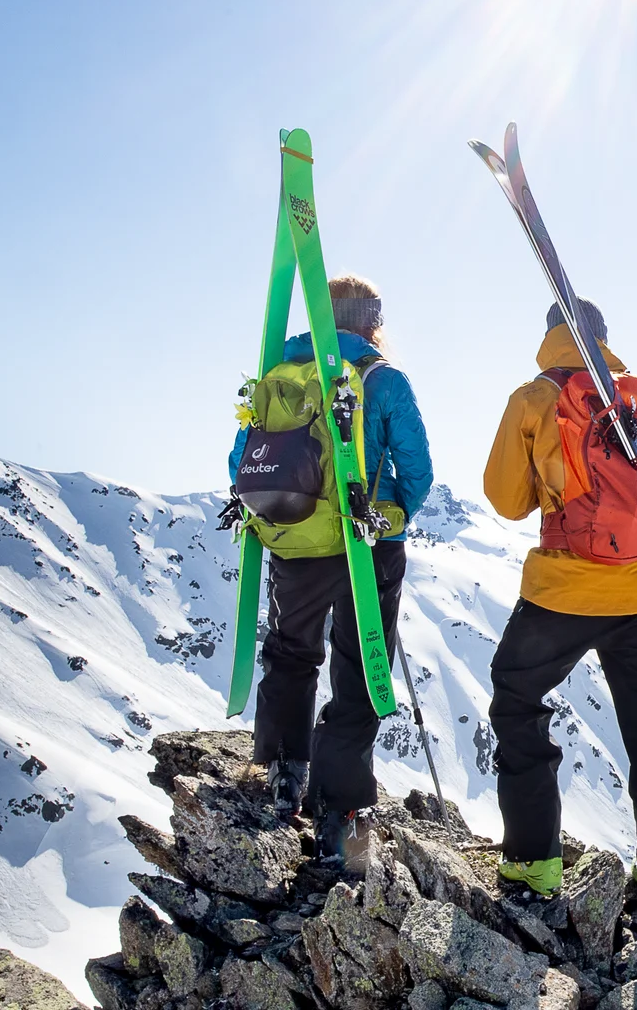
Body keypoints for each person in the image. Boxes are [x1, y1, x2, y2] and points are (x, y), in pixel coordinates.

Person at [482, 299, 637, 903]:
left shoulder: (535, 397)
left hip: (562, 591)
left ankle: (533, 859)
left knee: (518, 695)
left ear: (551, 334)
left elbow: (505, 497)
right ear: (604, 337)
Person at [233, 274, 434, 860]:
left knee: (291, 651)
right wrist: (388, 515)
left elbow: (240, 461)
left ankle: (283, 774)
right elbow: (417, 470)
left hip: (294, 539)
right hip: (362, 544)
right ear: (372, 319)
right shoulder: (382, 378)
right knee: (360, 663)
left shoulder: (279, 375)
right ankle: (338, 810)